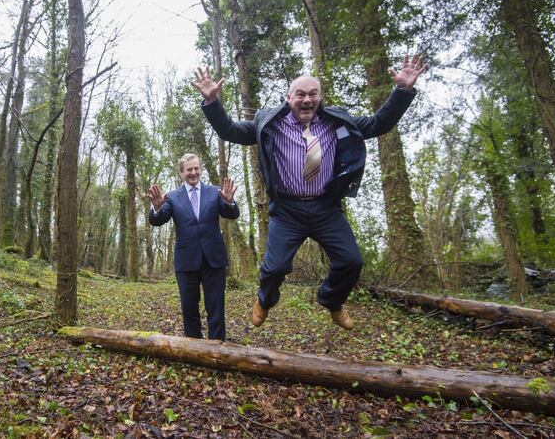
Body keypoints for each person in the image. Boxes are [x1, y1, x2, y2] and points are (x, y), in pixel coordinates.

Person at [191, 54, 428, 330]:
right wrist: (212, 102)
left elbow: (379, 124)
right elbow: (230, 130)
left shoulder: (337, 122)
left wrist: (403, 91)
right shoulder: (269, 124)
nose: (307, 100)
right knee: (274, 268)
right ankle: (265, 301)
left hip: (326, 208)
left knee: (351, 261)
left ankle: (332, 300)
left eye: (313, 94)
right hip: (287, 210)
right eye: (300, 94)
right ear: (288, 97)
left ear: (320, 97)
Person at [147, 153, 239, 341]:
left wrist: (229, 201)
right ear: (181, 173)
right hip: (186, 260)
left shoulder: (215, 192)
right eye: (189, 169)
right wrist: (156, 207)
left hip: (213, 258)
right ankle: (193, 347)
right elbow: (158, 220)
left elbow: (231, 214)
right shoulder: (171, 197)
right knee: (189, 308)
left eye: (196, 168)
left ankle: (217, 348)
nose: (193, 172)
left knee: (216, 307)